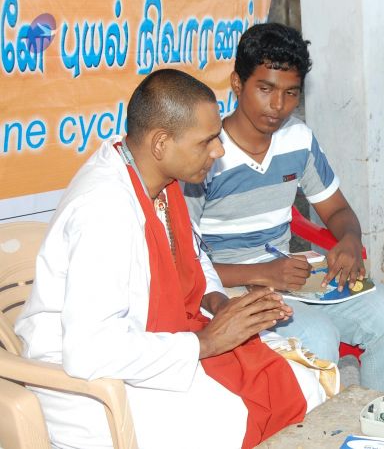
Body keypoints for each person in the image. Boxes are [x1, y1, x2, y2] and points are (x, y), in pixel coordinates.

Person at [14, 69, 330, 449]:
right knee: (233, 420)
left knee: (302, 385)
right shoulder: (104, 211)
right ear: (161, 143)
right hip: (87, 384)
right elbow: (89, 352)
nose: (219, 151)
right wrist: (205, 342)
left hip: (158, 344)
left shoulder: (154, 176)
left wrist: (220, 304)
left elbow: (192, 257)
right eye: (207, 141)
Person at [183, 22, 384, 399]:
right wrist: (263, 273)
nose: (278, 105)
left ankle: (379, 421)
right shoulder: (207, 153)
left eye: (291, 93)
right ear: (238, 84)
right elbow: (184, 264)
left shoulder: (297, 139)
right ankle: (315, 428)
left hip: (290, 278)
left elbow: (337, 209)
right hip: (226, 291)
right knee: (316, 335)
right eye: (265, 89)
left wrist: (349, 239)